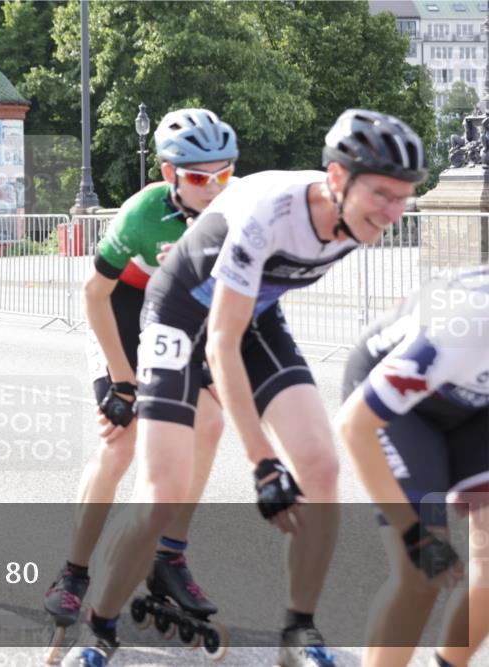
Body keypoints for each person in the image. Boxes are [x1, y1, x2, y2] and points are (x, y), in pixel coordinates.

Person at [61, 108, 428, 667]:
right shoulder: (269, 213)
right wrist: (263, 464)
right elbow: (219, 345)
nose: (392, 211)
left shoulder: (364, 220)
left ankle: (298, 632)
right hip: (180, 316)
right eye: (381, 194)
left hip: (253, 313)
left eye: (404, 197)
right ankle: (101, 628)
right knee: (160, 495)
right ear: (336, 180)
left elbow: (250, 317)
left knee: (322, 469)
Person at [43, 108, 237, 660]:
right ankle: (75, 570)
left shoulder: (238, 210)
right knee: (121, 440)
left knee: (213, 421)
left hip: (180, 318)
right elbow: (94, 294)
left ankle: (168, 554)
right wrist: (121, 383)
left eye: (224, 173)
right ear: (168, 171)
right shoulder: (143, 212)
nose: (214, 187)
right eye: (199, 176)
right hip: (123, 310)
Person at [337, 265, 489, 667]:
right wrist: (412, 532)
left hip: (472, 404)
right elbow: (355, 426)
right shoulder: (465, 326)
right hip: (398, 410)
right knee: (419, 573)